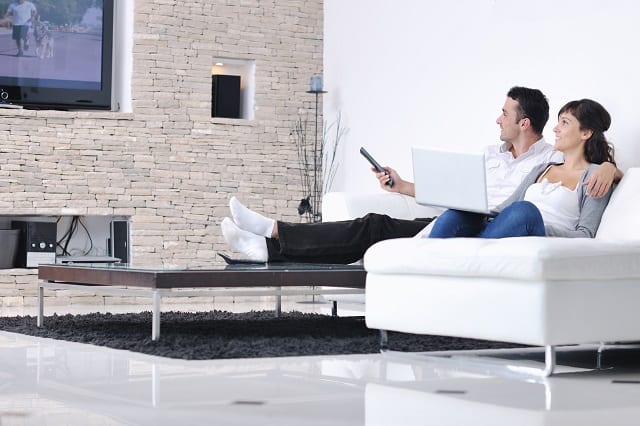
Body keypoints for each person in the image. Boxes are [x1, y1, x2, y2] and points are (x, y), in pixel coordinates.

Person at [221, 87, 621, 264]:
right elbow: (475, 197)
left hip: (510, 228)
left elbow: (577, 210)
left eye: (504, 113)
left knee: (520, 216)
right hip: (478, 219)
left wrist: (609, 166)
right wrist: (405, 186)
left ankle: (273, 240)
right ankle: (272, 239)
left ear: (525, 122)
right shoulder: (525, 164)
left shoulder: (548, 159)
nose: (497, 119)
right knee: (378, 223)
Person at [429, 99, 615, 239]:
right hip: (503, 228)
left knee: (525, 211)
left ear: (586, 132)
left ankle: (475, 250)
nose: (555, 129)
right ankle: (429, 267)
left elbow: (586, 234)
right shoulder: (543, 168)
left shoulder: (596, 176)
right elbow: (504, 209)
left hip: (536, 234)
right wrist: (468, 207)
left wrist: (537, 226)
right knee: (455, 215)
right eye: (558, 122)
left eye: (564, 122)